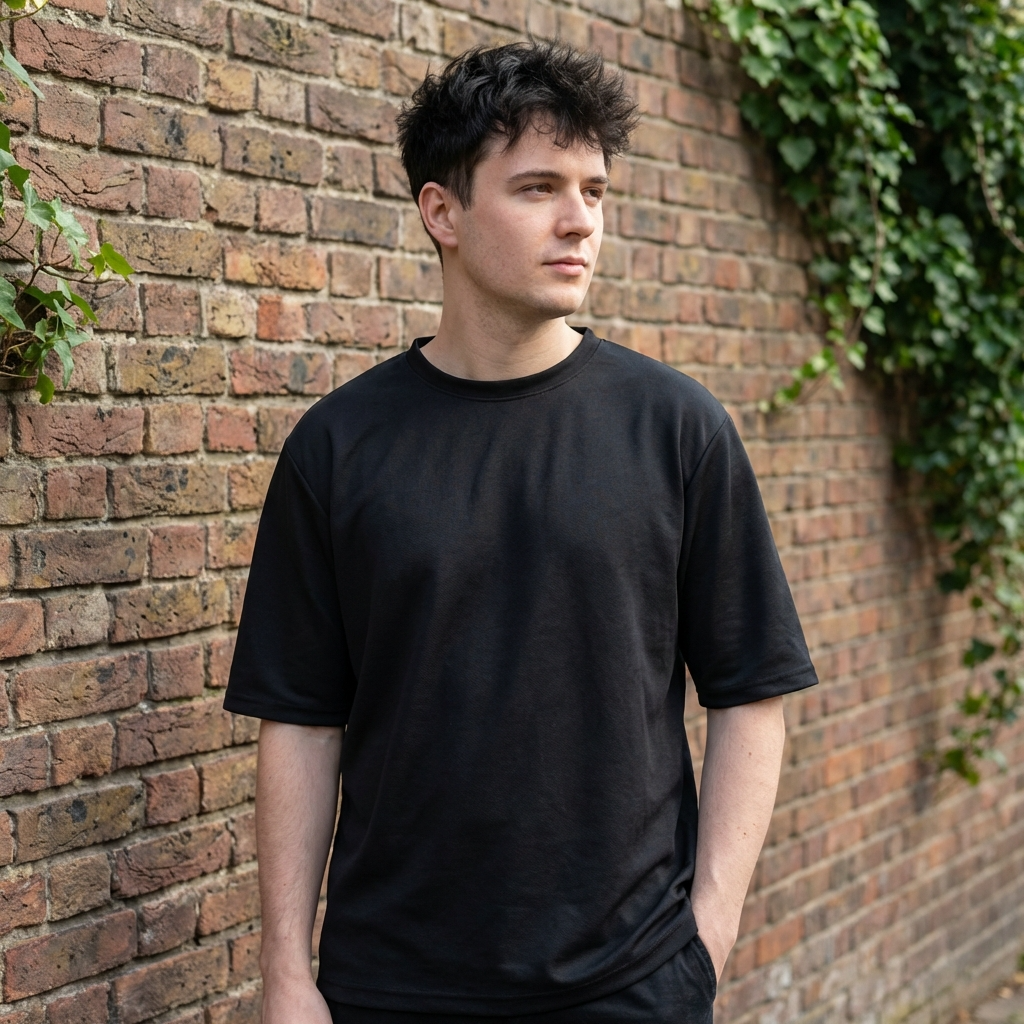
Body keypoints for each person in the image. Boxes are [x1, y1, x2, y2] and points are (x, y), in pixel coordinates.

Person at [224, 40, 818, 1024]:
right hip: (390, 987)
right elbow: (299, 717)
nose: (579, 219)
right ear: (441, 212)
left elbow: (753, 691)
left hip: (629, 984)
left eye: (593, 188)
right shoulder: (337, 448)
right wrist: (286, 973)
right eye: (538, 187)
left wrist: (702, 941)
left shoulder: (675, 428)